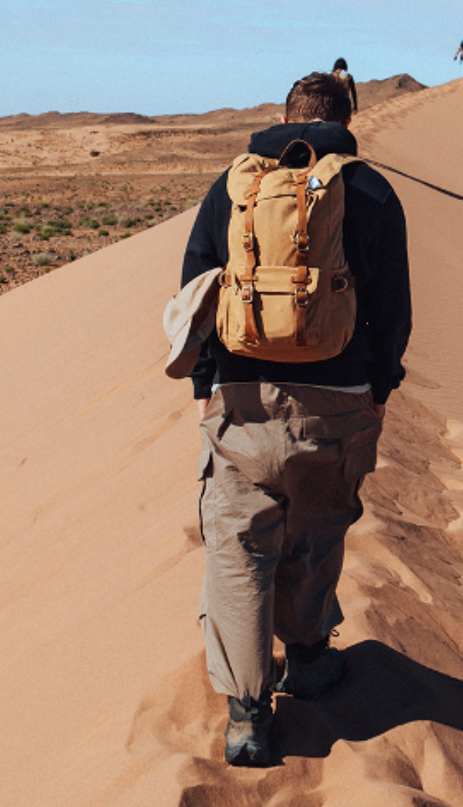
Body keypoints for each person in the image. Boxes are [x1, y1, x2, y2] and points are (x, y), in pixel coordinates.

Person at [177, 71, 412, 767]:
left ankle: (247, 715)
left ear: (283, 117)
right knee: (315, 536)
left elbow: (195, 284)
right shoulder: (368, 190)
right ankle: (307, 659)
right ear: (349, 119)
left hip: (242, 397)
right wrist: (379, 389)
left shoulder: (234, 185)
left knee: (238, 550)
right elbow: (392, 309)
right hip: (338, 401)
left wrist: (203, 381)